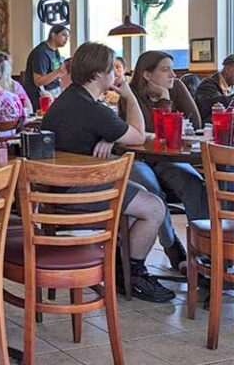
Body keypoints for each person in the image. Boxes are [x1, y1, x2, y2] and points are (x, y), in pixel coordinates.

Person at [42, 41, 175, 302]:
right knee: (154, 207)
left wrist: (111, 138)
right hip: (76, 194)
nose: (117, 75)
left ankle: (122, 270)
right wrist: (129, 95)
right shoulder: (92, 109)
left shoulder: (69, 99)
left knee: (140, 200)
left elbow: (108, 132)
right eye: (112, 69)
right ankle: (133, 275)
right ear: (99, 73)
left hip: (55, 191)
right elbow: (137, 136)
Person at [120, 51, 206, 272]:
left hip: (170, 157)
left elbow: (194, 122)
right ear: (147, 74)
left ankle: (205, 251)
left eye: (172, 68)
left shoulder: (176, 87)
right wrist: (165, 101)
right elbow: (149, 131)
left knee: (194, 183)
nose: (173, 74)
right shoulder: (129, 95)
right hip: (139, 158)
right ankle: (172, 246)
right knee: (151, 190)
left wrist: (168, 94)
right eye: (165, 69)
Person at [23, 24, 69, 110]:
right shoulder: (41, 53)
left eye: (67, 36)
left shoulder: (55, 51)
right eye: (64, 35)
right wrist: (59, 71)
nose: (66, 39)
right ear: (53, 35)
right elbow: (38, 81)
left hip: (53, 91)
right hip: (40, 96)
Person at [195, 54, 234, 124]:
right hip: (210, 129)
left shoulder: (231, 86)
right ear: (228, 69)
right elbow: (217, 103)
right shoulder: (207, 85)